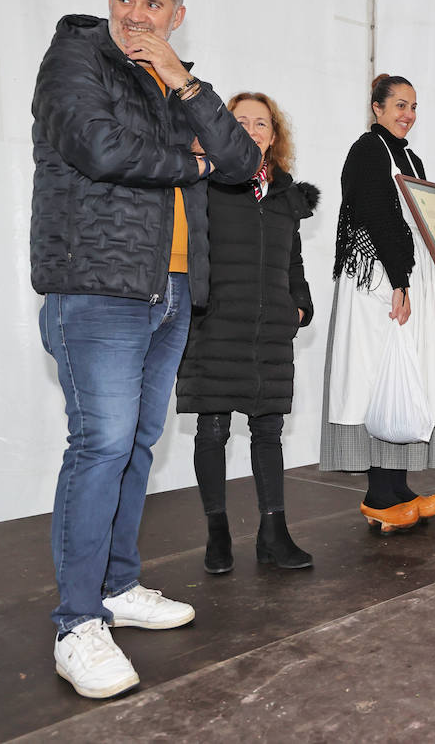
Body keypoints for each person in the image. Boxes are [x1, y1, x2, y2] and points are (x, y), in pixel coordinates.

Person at [31, 0, 261, 698]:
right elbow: (98, 147)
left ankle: (117, 586)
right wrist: (188, 159)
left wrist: (187, 89)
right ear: (109, 2)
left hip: (168, 293)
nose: (137, 14)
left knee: (136, 442)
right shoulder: (76, 55)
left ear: (176, 15)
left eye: (154, 5)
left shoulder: (180, 81)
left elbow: (243, 162)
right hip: (96, 286)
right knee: (99, 443)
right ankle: (76, 622)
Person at [176, 92, 318, 574]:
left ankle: (273, 534)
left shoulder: (284, 193)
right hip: (217, 323)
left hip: (269, 331)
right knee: (212, 428)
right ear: (224, 129)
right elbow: (189, 250)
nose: (253, 130)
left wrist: (299, 305)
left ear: (274, 136)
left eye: (262, 123)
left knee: (269, 430)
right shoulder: (207, 182)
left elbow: (292, 259)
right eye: (242, 122)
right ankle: (217, 535)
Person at [321, 75, 435, 533]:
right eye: (400, 105)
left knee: (407, 375)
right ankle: (377, 492)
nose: (408, 114)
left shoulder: (409, 156)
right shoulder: (367, 151)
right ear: (377, 108)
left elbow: (426, 223)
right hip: (378, 281)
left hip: (406, 276)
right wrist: (400, 281)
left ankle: (396, 484)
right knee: (378, 375)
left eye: (414, 106)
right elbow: (377, 217)